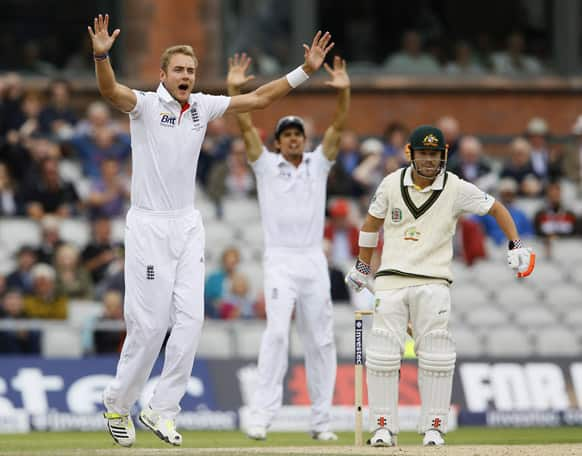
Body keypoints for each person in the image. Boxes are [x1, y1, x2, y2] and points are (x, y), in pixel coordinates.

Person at [88, 13, 334, 448]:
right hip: (148, 224)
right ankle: (117, 401)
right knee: (148, 326)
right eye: (179, 70)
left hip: (187, 223)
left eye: (191, 70)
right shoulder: (145, 106)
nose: (186, 76)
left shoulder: (202, 106)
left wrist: (307, 71)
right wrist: (101, 56)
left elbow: (259, 99)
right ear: (163, 74)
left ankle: (162, 410)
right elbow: (110, 91)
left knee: (191, 321)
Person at [345, 125, 535, 447]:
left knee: (436, 355)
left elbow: (496, 208)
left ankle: (434, 427)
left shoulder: (456, 187)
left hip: (434, 281)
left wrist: (515, 243)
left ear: (444, 155)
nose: (430, 161)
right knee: (382, 355)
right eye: (423, 154)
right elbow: (370, 225)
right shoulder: (391, 184)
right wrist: (364, 266)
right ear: (411, 154)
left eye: (435, 154)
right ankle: (383, 427)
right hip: (391, 280)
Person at [226, 52, 350, 441]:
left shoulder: (318, 164)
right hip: (280, 260)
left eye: (298, 134)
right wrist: (233, 89)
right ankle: (261, 416)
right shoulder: (265, 165)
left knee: (322, 339)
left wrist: (343, 94)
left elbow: (338, 127)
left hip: (313, 259)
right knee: (277, 334)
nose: (294, 139)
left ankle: (321, 421)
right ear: (277, 143)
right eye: (287, 135)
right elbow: (245, 127)